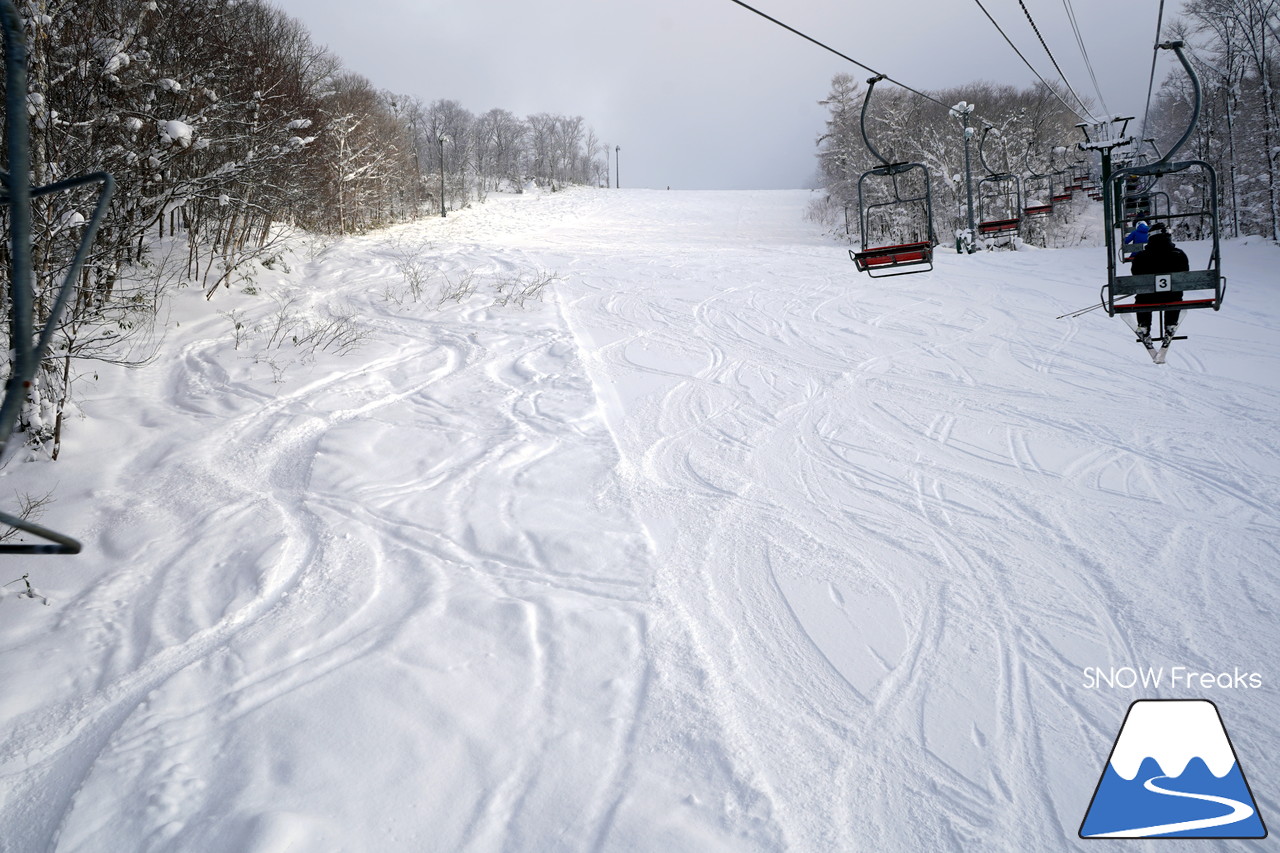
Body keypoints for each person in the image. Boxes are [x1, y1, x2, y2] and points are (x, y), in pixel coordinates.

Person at [1130, 223, 1189, 338]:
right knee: (1175, 294)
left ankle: (1144, 325)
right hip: (1172, 297)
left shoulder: (1141, 257)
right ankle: (1170, 324)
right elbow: (1185, 274)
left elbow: (1135, 274)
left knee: (1142, 296)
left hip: (1147, 299)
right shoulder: (1179, 254)